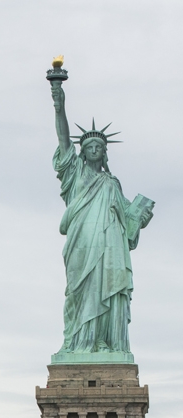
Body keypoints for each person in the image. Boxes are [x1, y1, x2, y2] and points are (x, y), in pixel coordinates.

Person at [50, 80, 153, 356]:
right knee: (78, 291)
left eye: (99, 145)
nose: (94, 148)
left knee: (105, 287)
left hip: (109, 248)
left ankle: (102, 341)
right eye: (90, 145)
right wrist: (59, 104)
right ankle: (77, 342)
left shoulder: (112, 184)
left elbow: (128, 222)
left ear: (104, 153)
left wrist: (139, 216)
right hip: (81, 244)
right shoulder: (74, 175)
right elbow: (63, 139)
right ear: (81, 153)